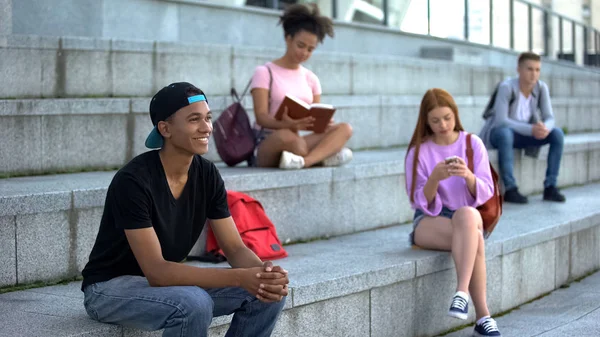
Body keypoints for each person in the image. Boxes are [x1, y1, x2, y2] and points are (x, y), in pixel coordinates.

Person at [81, 82, 288, 337]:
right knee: (193, 303)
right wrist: (239, 278)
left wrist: (263, 275)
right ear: (165, 128)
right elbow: (156, 271)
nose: (207, 128)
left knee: (266, 294)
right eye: (194, 120)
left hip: (164, 284)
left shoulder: (207, 174)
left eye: (208, 118)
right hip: (109, 289)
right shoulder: (134, 181)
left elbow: (234, 248)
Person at [405, 88, 502, 337]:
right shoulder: (419, 151)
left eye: (447, 118)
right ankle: (483, 318)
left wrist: (468, 176)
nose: (443, 125)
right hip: (431, 221)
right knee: (473, 237)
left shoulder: (472, 143)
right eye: (435, 120)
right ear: (425, 121)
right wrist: (434, 179)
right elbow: (418, 201)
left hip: (467, 216)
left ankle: (461, 294)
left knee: (468, 218)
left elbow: (486, 190)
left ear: (455, 115)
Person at [250, 3, 353, 169]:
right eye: (301, 45)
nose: (304, 53)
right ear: (288, 38)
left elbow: (315, 118)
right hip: (269, 140)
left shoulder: (311, 79)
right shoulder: (264, 72)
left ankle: (305, 161)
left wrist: (324, 122)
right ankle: (324, 156)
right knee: (292, 141)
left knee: (345, 129)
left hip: (297, 139)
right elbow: (261, 117)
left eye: (310, 49)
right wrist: (288, 125)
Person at [479, 52, 565, 204]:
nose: (534, 74)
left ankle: (550, 187)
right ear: (519, 69)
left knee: (557, 134)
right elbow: (501, 121)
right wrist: (531, 129)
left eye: (537, 70)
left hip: (524, 135)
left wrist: (544, 127)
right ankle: (510, 189)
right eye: (529, 69)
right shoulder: (506, 87)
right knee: (506, 134)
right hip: (499, 134)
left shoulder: (541, 88)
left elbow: (550, 117)